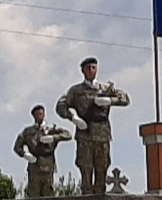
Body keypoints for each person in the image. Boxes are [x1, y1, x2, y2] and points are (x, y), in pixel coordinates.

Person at [55, 57, 129, 194]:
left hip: (102, 136)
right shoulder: (76, 91)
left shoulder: (105, 88)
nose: (91, 70)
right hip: (85, 136)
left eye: (93, 67)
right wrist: (73, 118)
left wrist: (109, 100)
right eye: (88, 68)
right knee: (86, 171)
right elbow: (60, 106)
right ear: (83, 70)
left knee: (101, 171)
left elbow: (125, 99)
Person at [13, 104, 71, 197]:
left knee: (48, 194)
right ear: (34, 116)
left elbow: (68, 135)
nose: (39, 116)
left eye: (41, 114)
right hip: (34, 167)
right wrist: (24, 154)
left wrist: (53, 137)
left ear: (44, 114)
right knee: (33, 194)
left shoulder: (51, 129)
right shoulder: (28, 132)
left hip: (48, 167)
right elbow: (17, 147)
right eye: (37, 114)